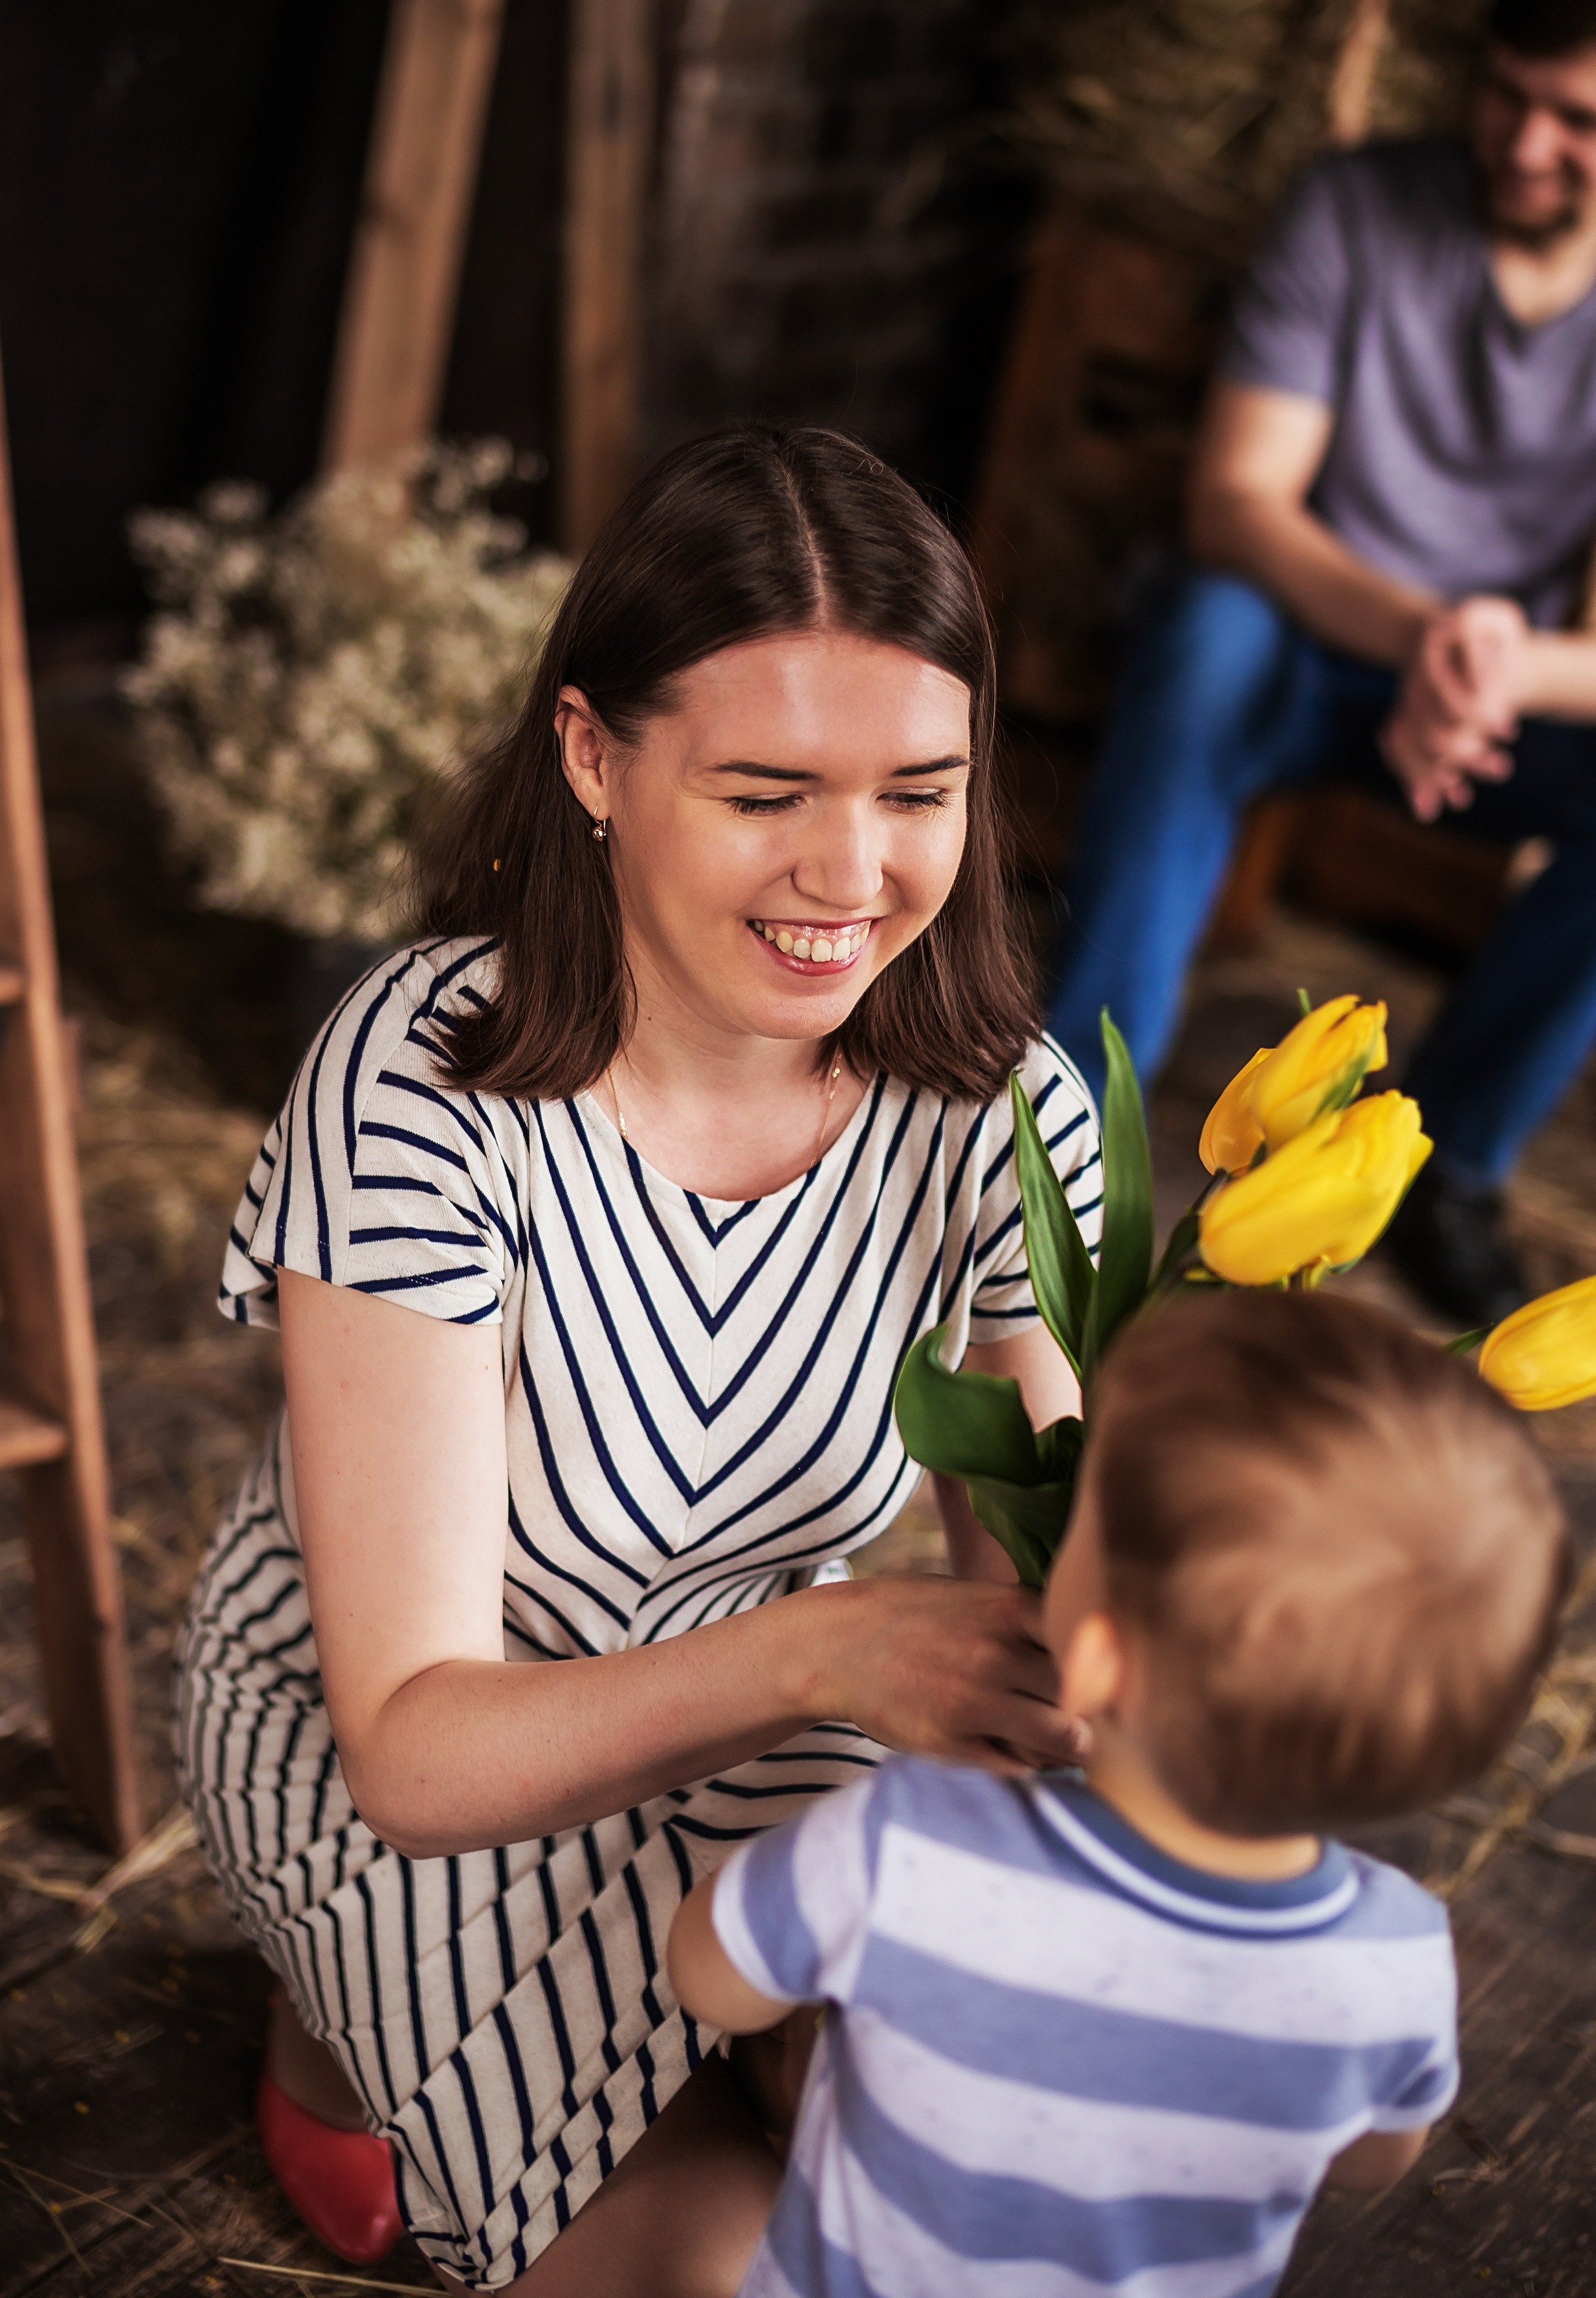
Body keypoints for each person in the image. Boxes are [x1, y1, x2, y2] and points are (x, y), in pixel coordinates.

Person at [175, 425, 1106, 2295]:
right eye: (768, 792)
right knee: (738, 2270)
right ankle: (339, 2018)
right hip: (409, 1752)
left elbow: (1043, 1629)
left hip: (791, 1725)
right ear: (594, 756)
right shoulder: (424, 1078)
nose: (854, 874)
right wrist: (838, 1647)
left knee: (972, 2177)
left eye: (920, 790)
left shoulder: (1009, 1112)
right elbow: (418, 1750)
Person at [670, 1289, 1571, 2298]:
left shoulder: (910, 1843)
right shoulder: (1393, 1958)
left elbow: (713, 1978)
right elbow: (1370, 2161)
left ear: (1093, 1658)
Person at [1050, 0, 1596, 1327]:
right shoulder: (1348, 209)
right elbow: (1237, 502)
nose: (1522, 141)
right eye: (1504, 91)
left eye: (1576, 118)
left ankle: (1441, 1160)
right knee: (1203, 632)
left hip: (1496, 696)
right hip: (1316, 640)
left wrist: (1498, 665)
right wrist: (1427, 635)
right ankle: (1065, 1125)